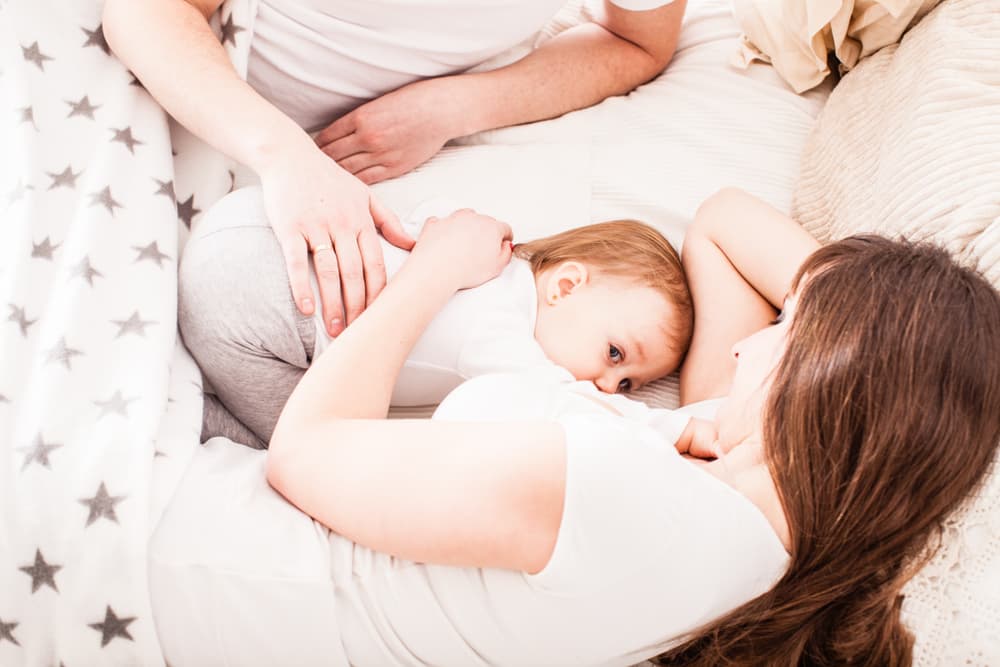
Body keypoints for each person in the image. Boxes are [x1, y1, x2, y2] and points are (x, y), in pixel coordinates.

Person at [256, 188, 999, 665]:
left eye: (787, 329)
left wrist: (437, 268)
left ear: (832, 379)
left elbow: (300, 452)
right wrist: (858, 310)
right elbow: (722, 222)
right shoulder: (747, 503)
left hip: (245, 570)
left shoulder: (632, 496)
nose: (745, 346)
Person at [103, 0, 687, 342]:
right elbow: (145, 10)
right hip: (157, 73)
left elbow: (636, 42)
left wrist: (453, 106)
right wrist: (285, 156)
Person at [179, 186, 697, 450]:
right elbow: (574, 407)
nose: (607, 386)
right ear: (565, 286)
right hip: (259, 307)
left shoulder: (486, 248)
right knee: (300, 444)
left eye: (627, 385)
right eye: (614, 354)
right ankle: (187, 412)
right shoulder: (502, 330)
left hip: (254, 220)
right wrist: (676, 428)